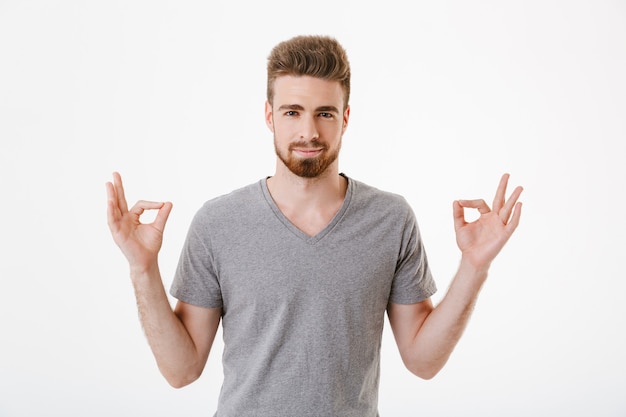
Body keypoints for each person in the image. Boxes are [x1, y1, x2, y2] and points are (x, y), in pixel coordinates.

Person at [106, 35, 523, 416]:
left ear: (345, 118)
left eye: (325, 113)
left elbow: (422, 361)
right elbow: (182, 371)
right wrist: (142, 268)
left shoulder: (390, 220)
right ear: (270, 116)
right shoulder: (218, 223)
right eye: (293, 112)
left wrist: (474, 266)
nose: (309, 131)